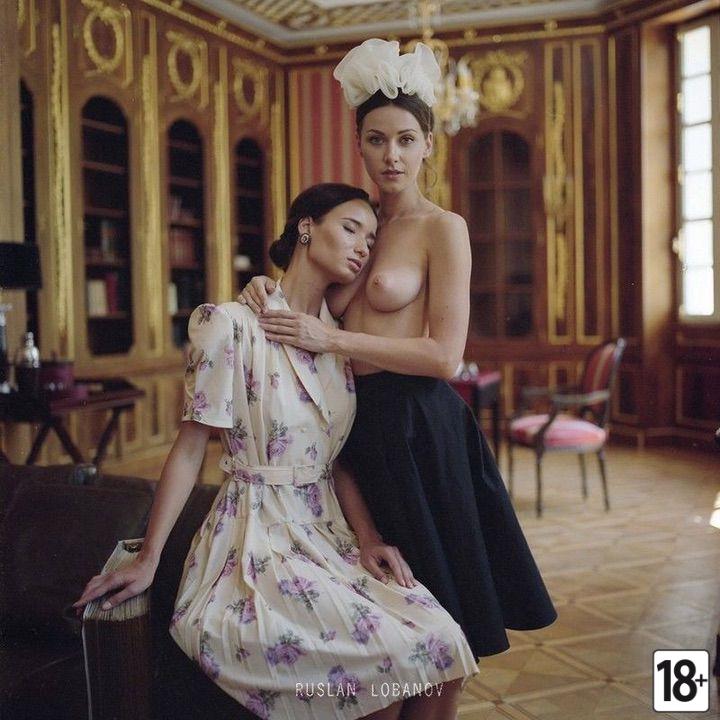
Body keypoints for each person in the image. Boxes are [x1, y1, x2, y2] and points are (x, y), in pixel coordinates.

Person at [73, 183, 478, 720]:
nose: (363, 247)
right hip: (256, 536)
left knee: (444, 646)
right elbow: (189, 450)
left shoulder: (336, 339)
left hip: (328, 531)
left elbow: (334, 460)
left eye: (371, 238)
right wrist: (149, 557)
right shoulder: (229, 325)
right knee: (386, 669)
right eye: (350, 229)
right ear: (306, 226)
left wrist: (368, 537)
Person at [238, 38, 557, 668]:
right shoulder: (353, 224)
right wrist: (260, 288)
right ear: (358, 144)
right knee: (378, 604)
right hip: (349, 424)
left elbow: (444, 357)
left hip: (417, 424)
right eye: (377, 139)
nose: (392, 155)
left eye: (407, 140)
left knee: (436, 613)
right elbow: (305, 293)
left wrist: (334, 340)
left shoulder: (444, 228)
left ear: (428, 144)